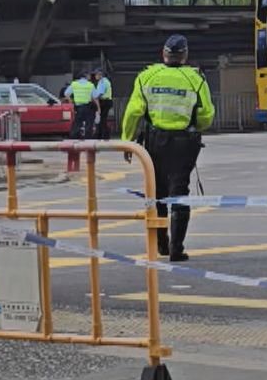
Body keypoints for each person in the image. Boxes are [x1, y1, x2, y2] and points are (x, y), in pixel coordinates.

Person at [122, 35, 215, 261]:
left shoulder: (146, 76)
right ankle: (176, 248)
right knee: (180, 192)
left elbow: (133, 112)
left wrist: (127, 141)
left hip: (155, 143)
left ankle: (162, 244)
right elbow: (206, 116)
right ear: (185, 55)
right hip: (184, 144)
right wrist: (194, 125)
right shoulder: (195, 79)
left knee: (158, 193)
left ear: (163, 54)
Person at [67, 70, 97, 139]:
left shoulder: (74, 84)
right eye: (89, 75)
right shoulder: (90, 85)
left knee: (77, 122)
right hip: (88, 106)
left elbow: (66, 93)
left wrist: (71, 102)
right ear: (85, 76)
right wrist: (98, 107)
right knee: (89, 123)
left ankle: (74, 137)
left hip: (78, 107)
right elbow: (95, 97)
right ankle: (87, 138)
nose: (90, 76)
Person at [91, 69, 115, 141]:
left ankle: (103, 135)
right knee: (102, 119)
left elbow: (100, 93)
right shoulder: (104, 81)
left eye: (96, 74)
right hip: (106, 101)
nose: (95, 76)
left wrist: (94, 98)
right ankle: (103, 135)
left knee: (102, 119)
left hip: (104, 102)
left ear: (100, 75)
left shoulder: (102, 82)